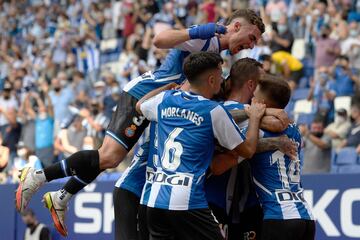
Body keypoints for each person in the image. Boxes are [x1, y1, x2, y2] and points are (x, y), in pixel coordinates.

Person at [16, 9, 265, 236]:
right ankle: (39, 176)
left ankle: (62, 194)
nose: (250, 45)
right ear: (235, 26)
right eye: (251, 37)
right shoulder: (206, 39)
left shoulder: (215, 53)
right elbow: (159, 41)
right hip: (144, 96)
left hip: (162, 105)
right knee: (110, 157)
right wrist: (197, 30)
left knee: (112, 159)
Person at [137, 51, 265, 240]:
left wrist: (166, 87)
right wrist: (254, 117)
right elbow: (248, 150)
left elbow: (140, 105)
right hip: (187, 200)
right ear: (212, 80)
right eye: (221, 74)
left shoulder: (166, 99)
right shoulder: (213, 110)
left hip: (153, 199)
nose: (223, 80)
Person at [212, 75, 315, 240]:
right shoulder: (294, 129)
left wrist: (254, 116)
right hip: (306, 217)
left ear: (263, 104)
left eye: (255, 98)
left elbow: (221, 161)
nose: (251, 100)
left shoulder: (256, 130)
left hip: (279, 216)